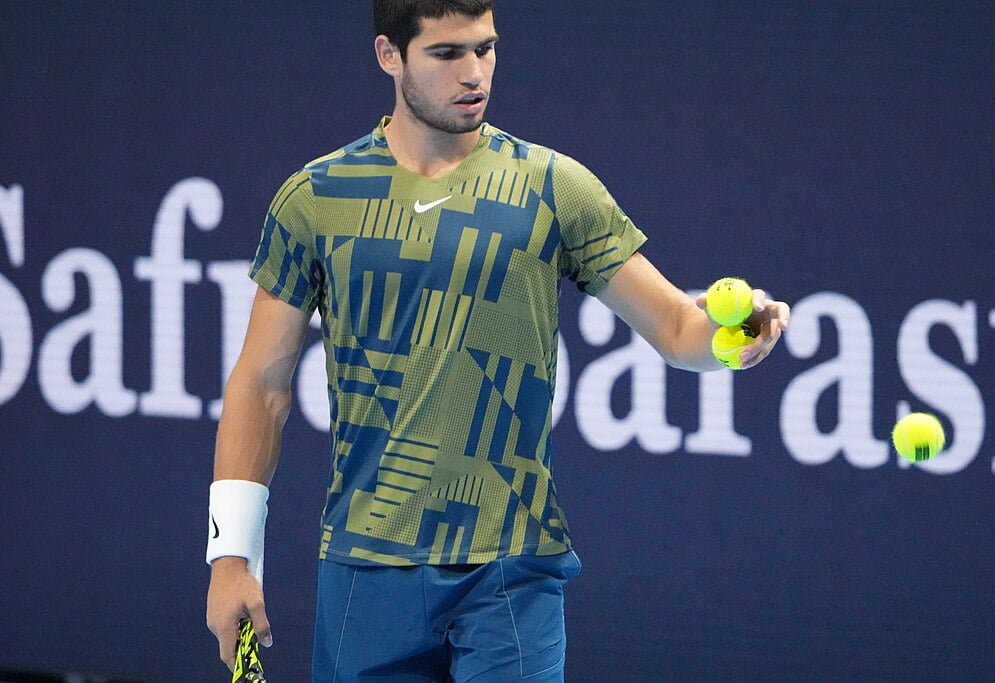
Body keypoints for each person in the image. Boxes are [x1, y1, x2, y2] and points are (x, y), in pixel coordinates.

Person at [205, 1, 791, 680]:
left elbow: (676, 327)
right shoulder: (316, 197)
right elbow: (261, 385)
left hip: (511, 568)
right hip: (365, 568)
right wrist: (230, 557)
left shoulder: (553, 187)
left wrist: (730, 335)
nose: (474, 72)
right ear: (390, 56)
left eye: (485, 48)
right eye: (447, 53)